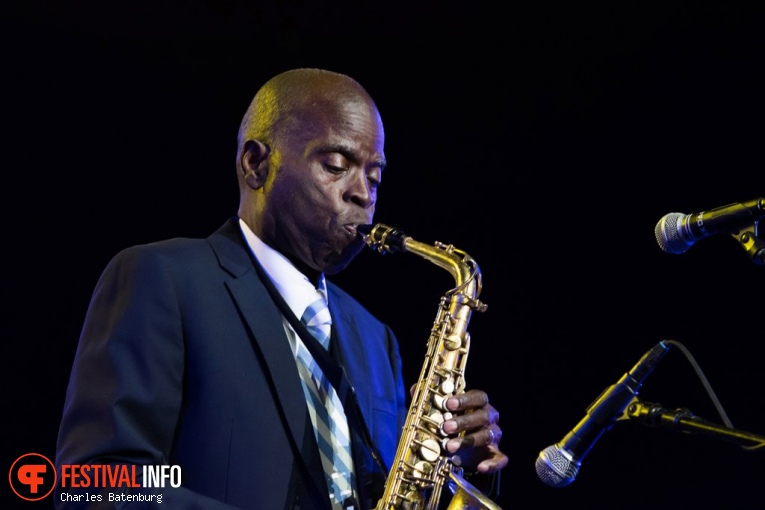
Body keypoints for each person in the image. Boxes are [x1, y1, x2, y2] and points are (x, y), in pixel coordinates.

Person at [54, 67, 508, 509]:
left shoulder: (378, 340)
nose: (363, 195)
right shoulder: (164, 279)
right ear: (255, 165)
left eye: (374, 177)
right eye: (336, 165)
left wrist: (457, 472)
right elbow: (94, 483)